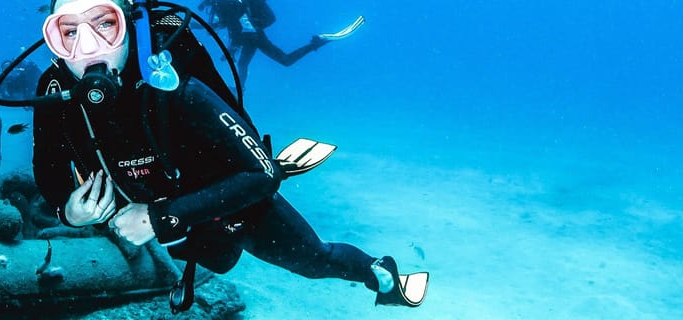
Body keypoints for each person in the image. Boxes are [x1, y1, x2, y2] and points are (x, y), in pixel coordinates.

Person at [30, 0, 426, 313]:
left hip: (224, 194)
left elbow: (261, 175)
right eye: (68, 32)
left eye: (105, 23)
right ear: (54, 42)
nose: (87, 47)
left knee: (313, 260)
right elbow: (47, 170)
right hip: (169, 221)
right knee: (215, 259)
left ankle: (380, 273)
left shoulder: (170, 74)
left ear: (130, 24)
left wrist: (158, 217)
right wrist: (69, 211)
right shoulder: (53, 90)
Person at [197, 0, 363, 87]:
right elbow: (225, 25)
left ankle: (318, 42)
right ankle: (239, 90)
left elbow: (230, 26)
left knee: (283, 61)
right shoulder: (225, 4)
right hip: (250, 37)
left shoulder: (226, 4)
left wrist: (233, 47)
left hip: (253, 38)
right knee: (245, 64)